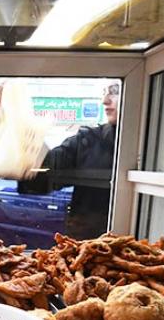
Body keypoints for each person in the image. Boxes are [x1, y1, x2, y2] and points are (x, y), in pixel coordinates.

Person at [18, 83, 121, 240]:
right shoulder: (88, 141)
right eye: (104, 92)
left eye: (114, 92)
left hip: (142, 245)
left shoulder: (163, 148)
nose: (105, 100)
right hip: (89, 246)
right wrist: (29, 151)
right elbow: (41, 178)